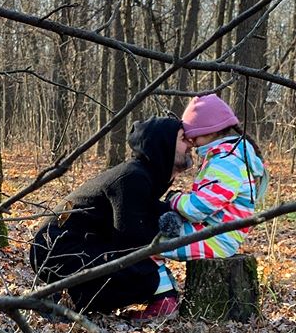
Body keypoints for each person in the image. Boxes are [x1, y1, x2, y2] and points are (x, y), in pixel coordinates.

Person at [30, 116, 191, 317]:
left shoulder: (145, 176)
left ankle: (69, 297)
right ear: (163, 143)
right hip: (56, 250)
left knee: (144, 269)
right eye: (183, 138)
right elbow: (133, 242)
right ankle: (66, 300)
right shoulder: (132, 177)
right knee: (144, 274)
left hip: (81, 247)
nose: (190, 143)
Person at [160, 93, 267, 262]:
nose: (191, 142)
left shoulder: (227, 162)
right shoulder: (225, 157)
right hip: (211, 231)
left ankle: (165, 289)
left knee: (146, 247)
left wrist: (175, 199)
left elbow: (199, 209)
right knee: (147, 240)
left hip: (216, 239)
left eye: (193, 136)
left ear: (210, 131)